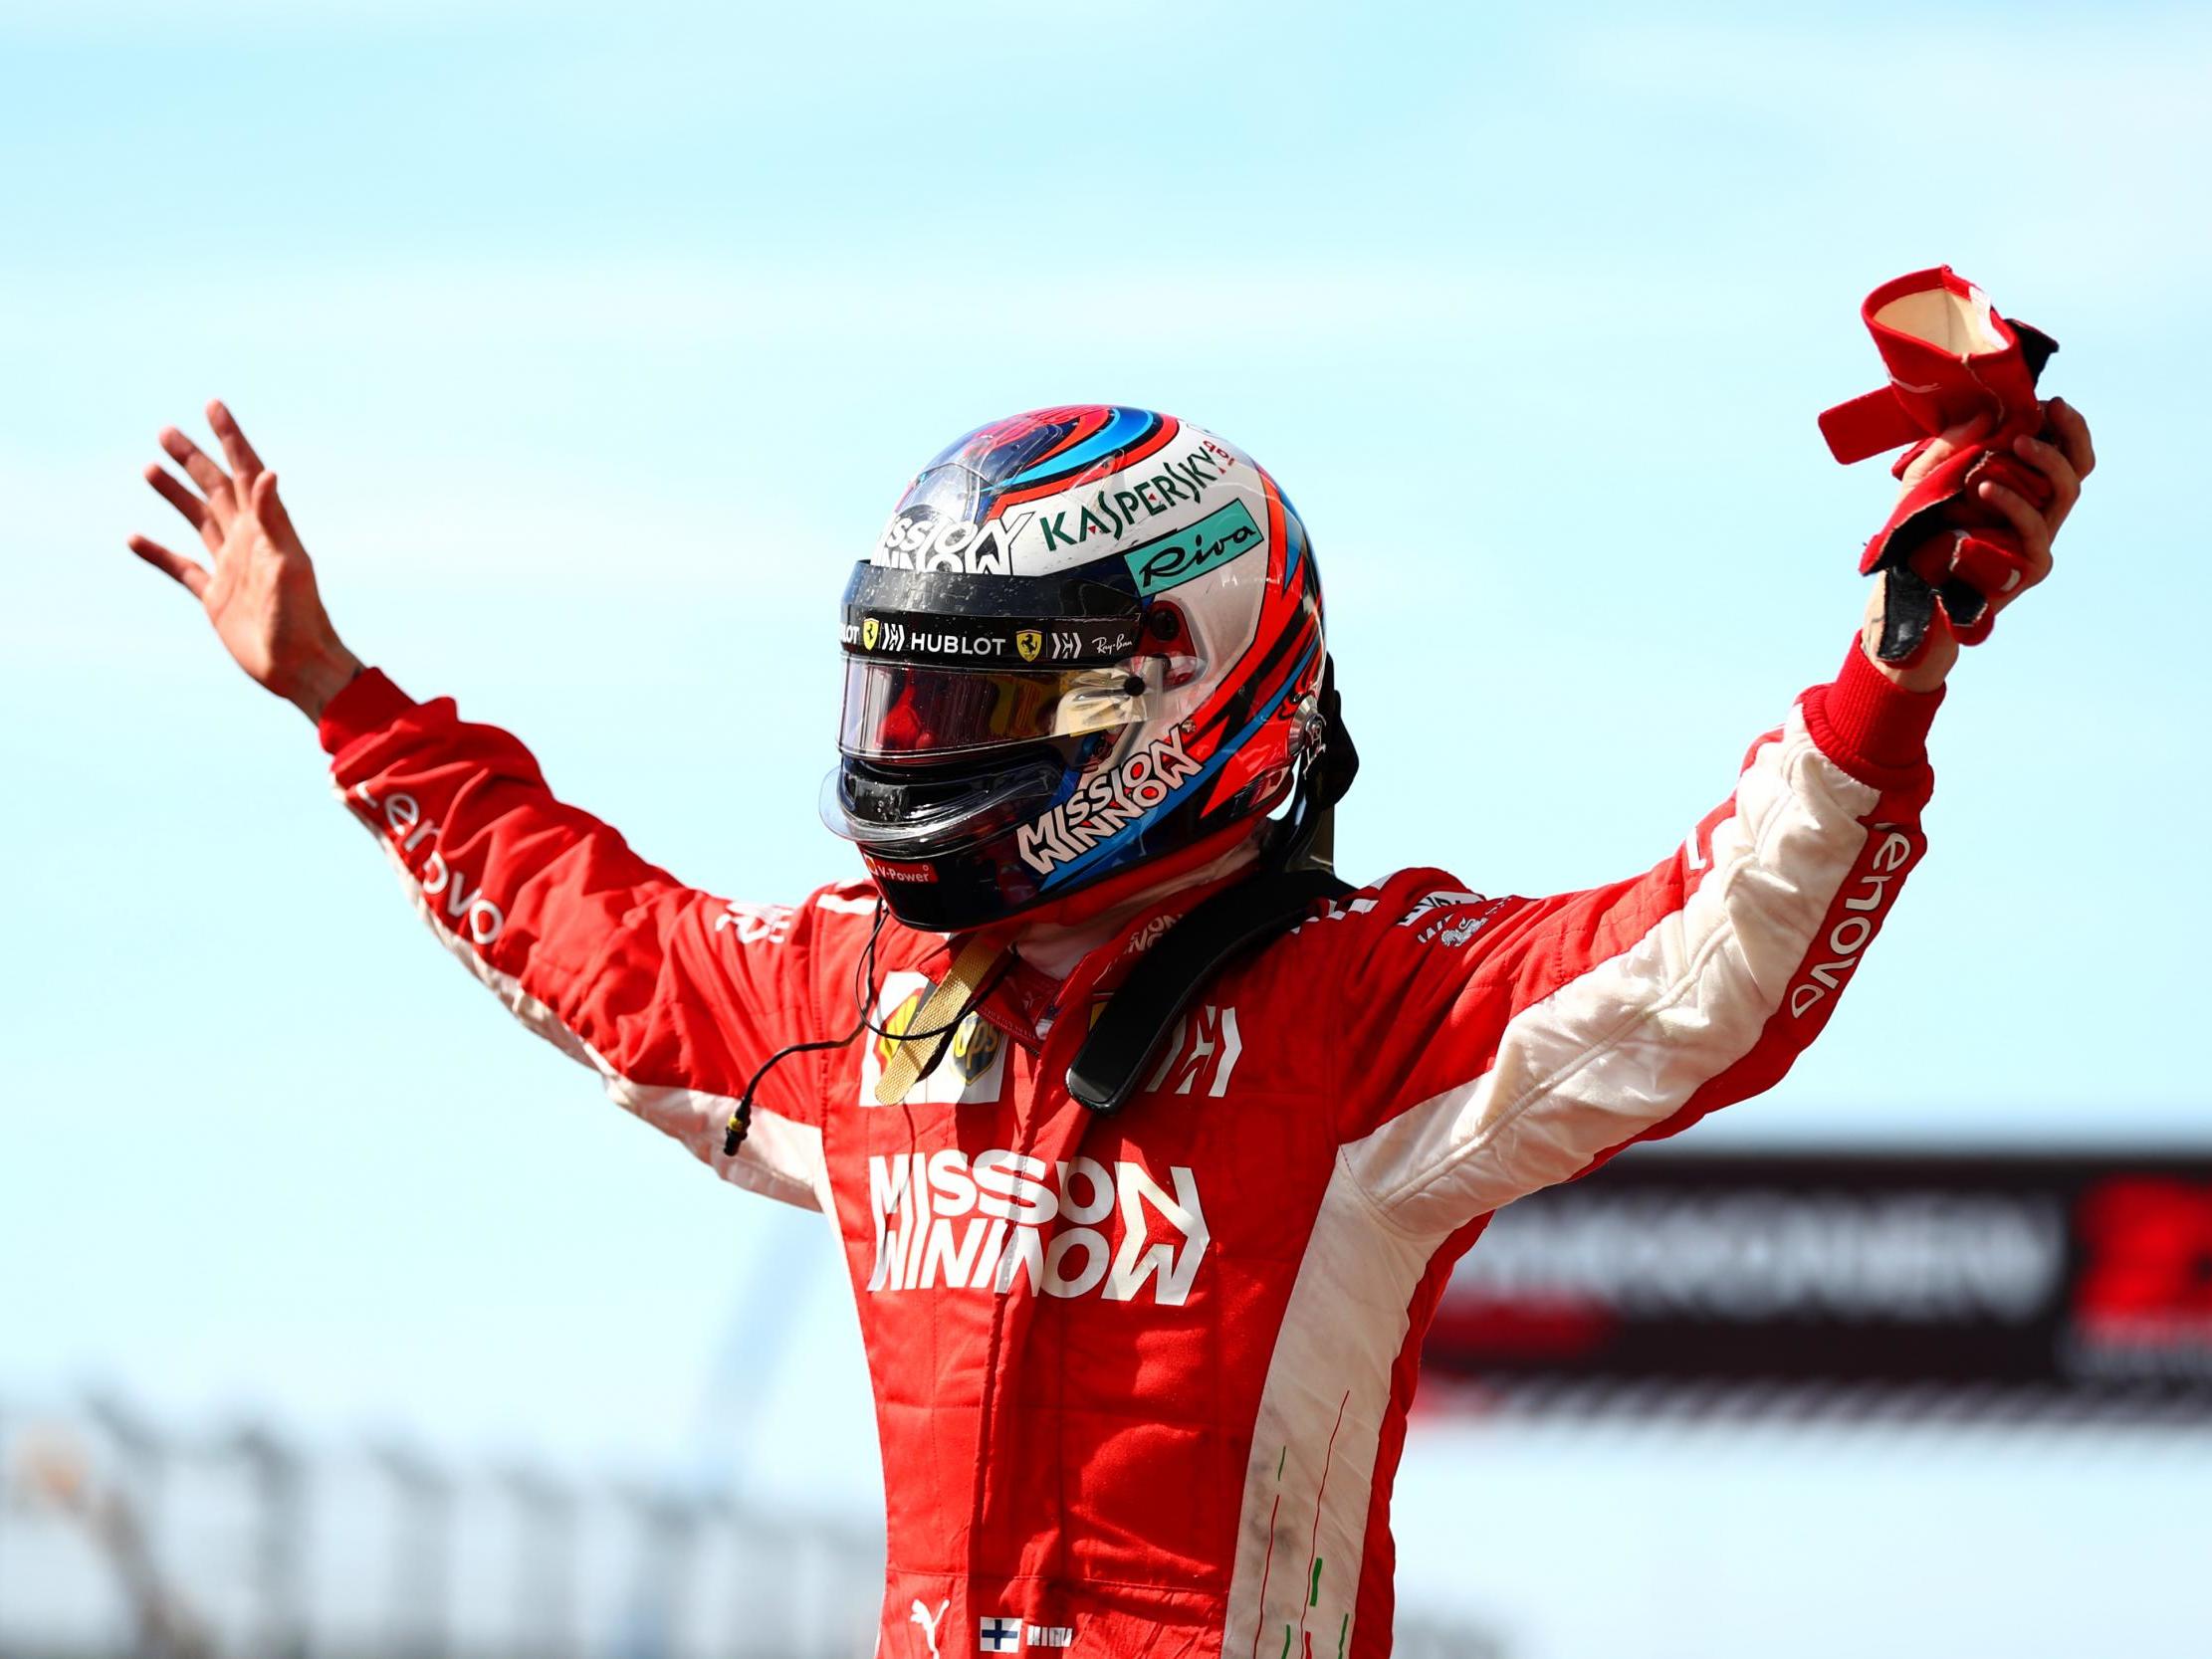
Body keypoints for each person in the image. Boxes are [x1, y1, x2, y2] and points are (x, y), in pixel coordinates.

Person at [126, 389, 2093, 1656]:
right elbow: (597, 941)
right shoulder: (867, 997)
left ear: (1180, 696)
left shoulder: (1365, 1013)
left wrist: (1890, 661)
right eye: (910, 692)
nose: (920, 750)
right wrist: (335, 694)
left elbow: (1700, 965)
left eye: (981, 704)